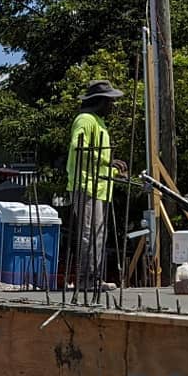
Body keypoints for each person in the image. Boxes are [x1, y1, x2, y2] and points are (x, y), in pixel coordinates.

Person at [66, 80, 126, 290]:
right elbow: (79, 148)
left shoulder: (99, 122)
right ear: (99, 101)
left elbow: (98, 159)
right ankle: (86, 279)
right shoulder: (85, 120)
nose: (113, 106)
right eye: (110, 101)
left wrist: (113, 170)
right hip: (85, 185)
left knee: (98, 235)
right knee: (88, 234)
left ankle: (94, 278)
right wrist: (107, 160)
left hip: (99, 186)